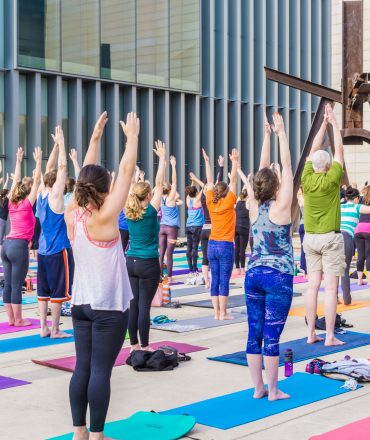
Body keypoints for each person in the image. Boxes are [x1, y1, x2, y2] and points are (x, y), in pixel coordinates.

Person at [65, 111, 139, 440]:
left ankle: (80, 432)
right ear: (104, 190)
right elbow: (126, 171)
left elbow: (87, 178)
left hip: (81, 304)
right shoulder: (106, 216)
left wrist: (95, 138)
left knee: (82, 367)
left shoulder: (73, 214)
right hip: (108, 306)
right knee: (100, 371)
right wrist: (132, 137)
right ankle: (96, 436)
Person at [244, 112, 294, 401]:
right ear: (276, 188)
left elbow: (260, 173)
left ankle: (258, 388)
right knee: (272, 336)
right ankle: (273, 390)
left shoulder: (253, 206)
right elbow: (286, 165)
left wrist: (265, 136)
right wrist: (281, 134)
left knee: (254, 334)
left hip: (254, 275)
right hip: (278, 276)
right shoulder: (282, 206)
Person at [302, 103, 346, 346]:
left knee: (312, 287)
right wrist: (334, 123)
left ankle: (310, 334)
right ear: (327, 167)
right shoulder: (331, 178)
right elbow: (339, 150)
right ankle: (329, 335)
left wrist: (323, 124)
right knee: (330, 289)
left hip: (310, 238)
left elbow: (312, 150)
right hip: (330, 237)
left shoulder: (307, 179)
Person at [125, 140, 166, 351]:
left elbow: (130, 184)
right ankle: (145, 345)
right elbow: (160, 184)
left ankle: (133, 345)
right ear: (148, 195)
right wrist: (162, 159)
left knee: (133, 305)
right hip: (147, 262)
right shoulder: (150, 211)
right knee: (143, 307)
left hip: (130, 261)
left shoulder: (129, 210)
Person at [37, 126, 74, 338]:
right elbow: (60, 167)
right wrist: (62, 144)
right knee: (58, 292)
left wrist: (55, 146)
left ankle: (43, 328)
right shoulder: (56, 198)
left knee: (42, 292)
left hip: (42, 251)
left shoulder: (42, 194)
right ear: (57, 184)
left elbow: (49, 167)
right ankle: (56, 329)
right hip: (57, 251)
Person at [1, 146, 42, 326]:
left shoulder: (10, 203)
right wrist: (39, 161)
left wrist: (18, 161)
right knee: (17, 285)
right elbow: (37, 181)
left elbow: (15, 180)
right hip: (18, 246)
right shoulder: (27, 203)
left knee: (9, 285)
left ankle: (11, 319)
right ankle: (18, 320)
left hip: (6, 245)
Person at [203, 147, 238, 320]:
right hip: (225, 245)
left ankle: (216, 313)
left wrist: (208, 163)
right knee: (224, 279)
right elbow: (233, 181)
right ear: (226, 193)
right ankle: (223, 313)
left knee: (214, 279)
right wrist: (235, 161)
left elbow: (210, 181)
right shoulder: (229, 202)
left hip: (212, 244)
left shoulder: (210, 201)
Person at [190, 157, 224, 288]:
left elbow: (209, 182)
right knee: (216, 257)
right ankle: (215, 279)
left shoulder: (204, 198)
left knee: (205, 257)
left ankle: (206, 281)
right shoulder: (214, 199)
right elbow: (216, 181)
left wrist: (207, 162)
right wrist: (219, 166)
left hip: (204, 229)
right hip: (214, 229)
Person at [159, 156, 180, 285]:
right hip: (172, 228)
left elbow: (160, 181)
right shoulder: (172, 198)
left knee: (161, 253)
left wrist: (164, 166)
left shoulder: (160, 198)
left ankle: (160, 275)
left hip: (162, 227)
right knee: (169, 254)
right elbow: (174, 182)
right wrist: (173, 166)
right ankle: (170, 277)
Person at [184, 176, 204, 285]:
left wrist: (191, 182)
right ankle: (195, 268)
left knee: (189, 247)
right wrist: (196, 179)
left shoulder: (188, 199)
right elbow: (204, 187)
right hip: (197, 226)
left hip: (188, 226)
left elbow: (190, 191)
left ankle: (190, 269)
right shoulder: (197, 200)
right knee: (195, 248)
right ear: (196, 192)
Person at [354, 185, 370, 286]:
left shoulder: (361, 201)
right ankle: (369, 280)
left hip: (358, 228)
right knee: (369, 255)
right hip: (368, 228)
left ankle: (359, 279)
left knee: (360, 256)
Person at [234, 188, 250, 275]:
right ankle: (243, 268)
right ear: (247, 196)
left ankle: (237, 268)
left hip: (236, 227)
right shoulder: (247, 203)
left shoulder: (237, 203)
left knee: (236, 248)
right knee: (242, 249)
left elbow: (240, 197)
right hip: (244, 227)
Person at [297, 187, 307, 277]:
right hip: (306, 226)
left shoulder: (300, 200)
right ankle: (305, 270)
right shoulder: (305, 200)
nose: (298, 195)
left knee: (303, 249)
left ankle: (304, 270)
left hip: (302, 225)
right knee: (305, 249)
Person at [0, 172, 10, 253]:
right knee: (1, 234)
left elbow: (4, 189)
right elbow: (5, 189)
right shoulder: (7, 199)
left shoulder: (1, 197)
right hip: (3, 218)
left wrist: (6, 180)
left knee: (2, 234)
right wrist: (6, 180)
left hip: (2, 218)